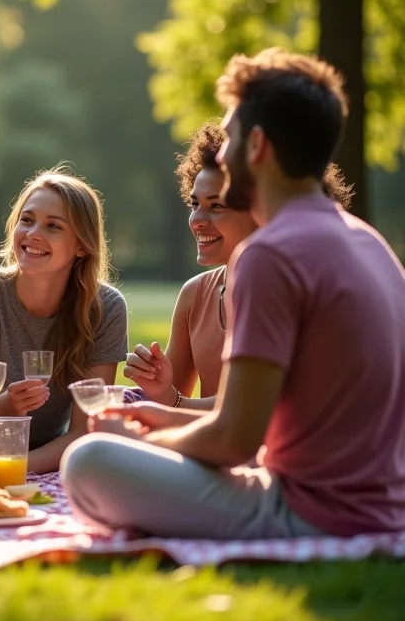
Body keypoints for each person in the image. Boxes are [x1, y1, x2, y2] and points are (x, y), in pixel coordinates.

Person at [63, 48, 405, 539]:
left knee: (90, 460)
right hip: (385, 508)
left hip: (312, 514)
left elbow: (234, 440)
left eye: (231, 137)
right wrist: (165, 417)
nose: (222, 153)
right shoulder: (367, 241)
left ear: (258, 145)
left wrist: (142, 439)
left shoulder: (269, 254)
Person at [123, 123, 353, 412]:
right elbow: (171, 403)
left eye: (216, 206)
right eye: (195, 204)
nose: (197, 220)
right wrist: (154, 384)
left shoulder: (291, 291)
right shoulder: (195, 294)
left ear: (261, 210)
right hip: (207, 448)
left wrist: (172, 403)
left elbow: (253, 409)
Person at [0, 167, 128, 475]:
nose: (33, 234)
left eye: (53, 226)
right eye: (27, 220)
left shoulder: (106, 308)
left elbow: (85, 430)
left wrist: (16, 466)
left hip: (44, 460)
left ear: (82, 246)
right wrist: (8, 404)